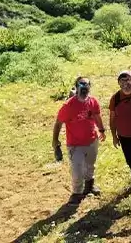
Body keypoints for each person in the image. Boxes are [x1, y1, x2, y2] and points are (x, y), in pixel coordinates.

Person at [52, 76, 106, 205]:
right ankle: (76, 193)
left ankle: (89, 186)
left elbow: (97, 116)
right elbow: (58, 123)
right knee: (77, 169)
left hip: (92, 140)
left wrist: (102, 130)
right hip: (75, 144)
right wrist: (55, 141)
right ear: (76, 87)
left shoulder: (93, 101)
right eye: (81, 84)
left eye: (86, 84)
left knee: (90, 165)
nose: (84, 87)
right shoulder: (68, 106)